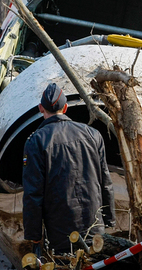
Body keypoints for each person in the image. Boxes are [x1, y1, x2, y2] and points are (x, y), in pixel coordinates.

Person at [22, 83, 115, 254]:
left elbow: (33, 193)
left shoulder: (36, 141)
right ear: (65, 108)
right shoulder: (92, 134)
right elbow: (105, 180)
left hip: (60, 232)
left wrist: (34, 234)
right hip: (94, 225)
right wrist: (109, 218)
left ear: (41, 108)